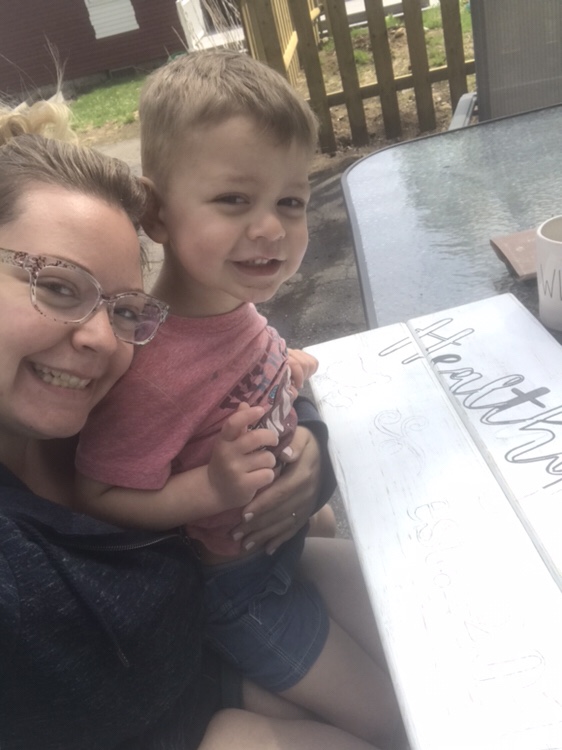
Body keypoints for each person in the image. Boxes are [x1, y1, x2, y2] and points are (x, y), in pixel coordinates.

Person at [0, 99, 400, 750]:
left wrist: (310, 448)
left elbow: (244, 370)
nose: (102, 337)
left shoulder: (93, 397)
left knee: (431, 635)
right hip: (202, 692)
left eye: (123, 307)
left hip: (223, 645)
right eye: (58, 287)